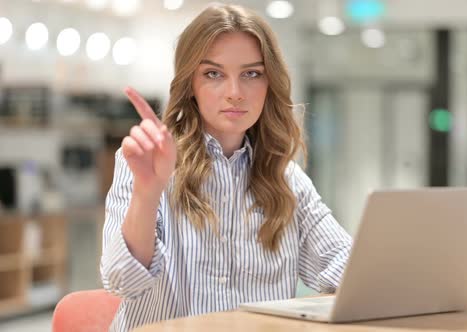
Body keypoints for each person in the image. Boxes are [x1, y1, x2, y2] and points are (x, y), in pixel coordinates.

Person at [100, 3, 352, 331]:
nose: (235, 93)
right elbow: (123, 281)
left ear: (269, 83)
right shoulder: (148, 165)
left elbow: (347, 269)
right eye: (213, 74)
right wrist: (147, 193)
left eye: (251, 74)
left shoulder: (285, 178)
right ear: (190, 83)